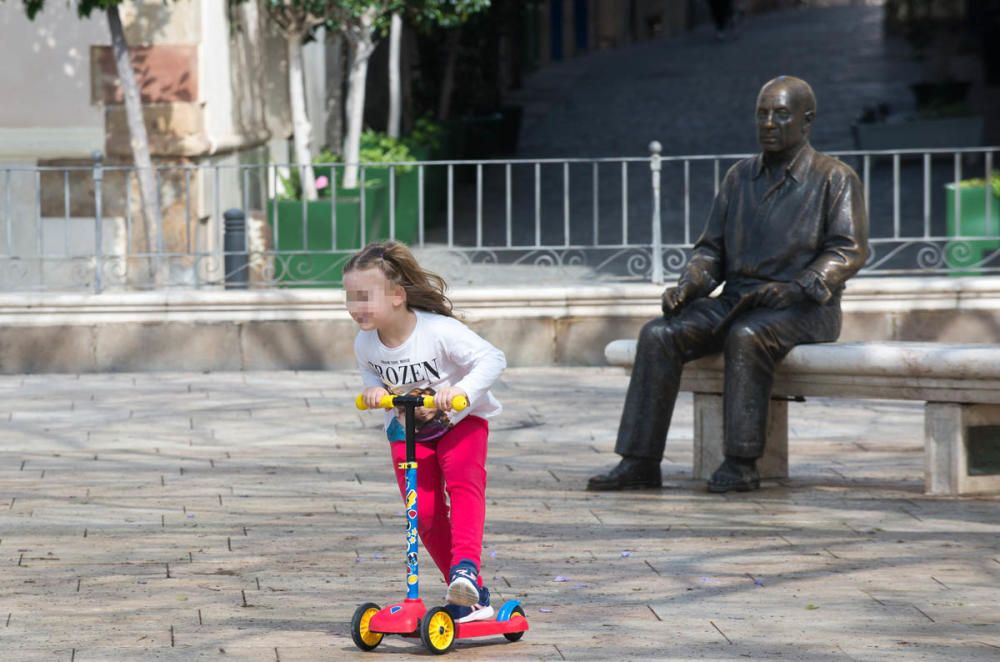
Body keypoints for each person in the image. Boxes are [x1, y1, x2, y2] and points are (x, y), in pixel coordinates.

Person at [588, 76, 869, 494]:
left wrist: (800, 286)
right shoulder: (740, 177)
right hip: (737, 299)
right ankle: (640, 461)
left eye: (780, 114)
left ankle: (741, 461)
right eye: (762, 114)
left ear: (806, 122)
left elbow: (849, 250)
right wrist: (689, 285)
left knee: (748, 335)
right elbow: (710, 251)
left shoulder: (835, 178)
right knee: (659, 334)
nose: (769, 123)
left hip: (804, 308)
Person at [346, 241, 507, 623]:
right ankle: (471, 594)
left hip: (458, 422)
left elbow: (492, 358)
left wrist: (462, 392)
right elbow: (373, 374)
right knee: (426, 513)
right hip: (407, 433)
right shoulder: (365, 342)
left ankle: (465, 568)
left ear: (398, 295)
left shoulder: (437, 330)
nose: (355, 308)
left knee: (465, 485)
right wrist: (374, 390)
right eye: (350, 298)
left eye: (364, 297)